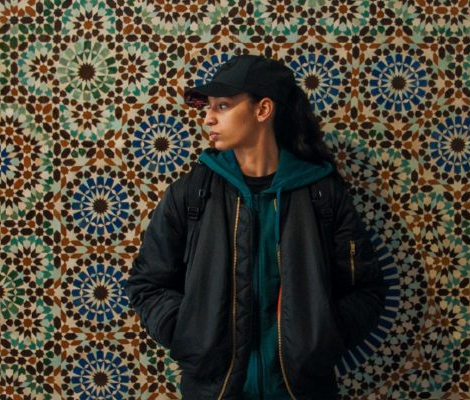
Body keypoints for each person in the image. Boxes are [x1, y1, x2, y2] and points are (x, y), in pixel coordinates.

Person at [125, 54, 393, 399]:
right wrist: (189, 331)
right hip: (213, 391)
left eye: (222, 106)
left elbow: (366, 288)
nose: (208, 118)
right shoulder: (191, 193)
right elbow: (147, 283)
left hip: (302, 392)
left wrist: (324, 337)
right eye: (208, 107)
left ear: (263, 109)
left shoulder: (322, 194)